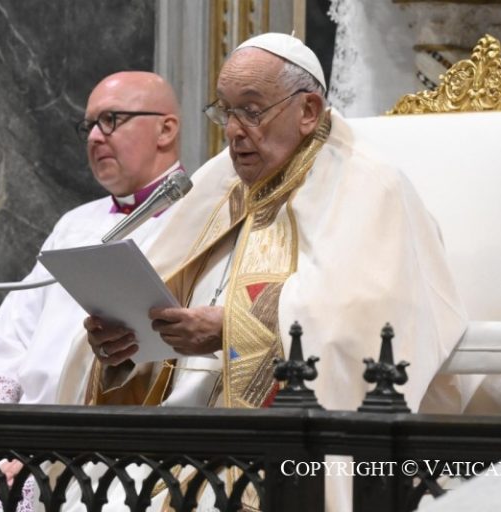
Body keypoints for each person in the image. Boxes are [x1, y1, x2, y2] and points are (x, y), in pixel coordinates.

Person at [65, 33, 468, 510]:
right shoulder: (219, 184)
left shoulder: (370, 185)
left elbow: (366, 320)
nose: (234, 131)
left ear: (308, 110)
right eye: (225, 112)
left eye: (252, 111)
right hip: (175, 433)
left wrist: (229, 329)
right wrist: (123, 347)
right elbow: (161, 305)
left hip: (274, 444)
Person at [0, 71, 183, 512]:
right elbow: (10, 341)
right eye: (88, 125)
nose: (95, 136)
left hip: (121, 453)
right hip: (22, 443)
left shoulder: (199, 218)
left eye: (111, 120)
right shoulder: (75, 223)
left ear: (166, 129)